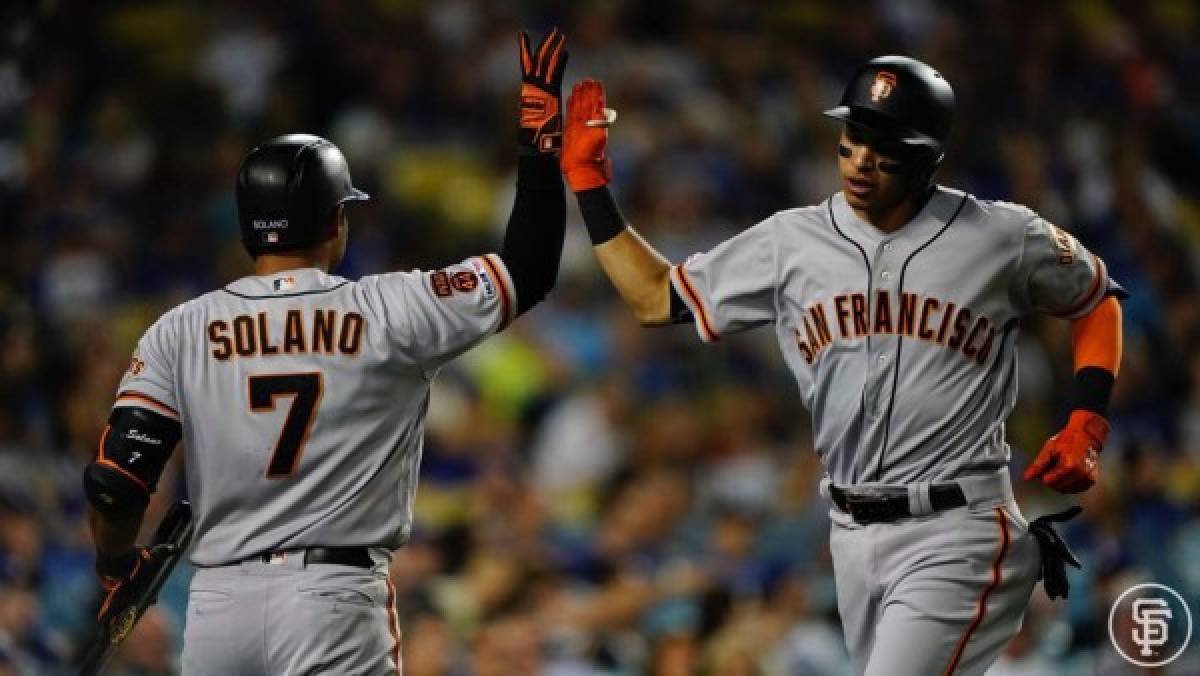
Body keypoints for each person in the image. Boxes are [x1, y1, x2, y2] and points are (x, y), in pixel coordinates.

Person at [559, 56, 1124, 676]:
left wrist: (1087, 421)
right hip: (849, 533)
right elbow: (654, 296)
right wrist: (588, 182)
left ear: (929, 158)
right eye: (853, 138)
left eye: (885, 148)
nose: (861, 159)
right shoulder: (789, 241)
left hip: (958, 528)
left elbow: (1095, 298)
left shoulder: (1000, 235)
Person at [82, 28, 569, 675]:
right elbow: (529, 268)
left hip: (218, 607)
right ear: (337, 221)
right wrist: (540, 139)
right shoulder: (392, 307)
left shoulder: (179, 328)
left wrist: (118, 563)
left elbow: (119, 478)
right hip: (330, 597)